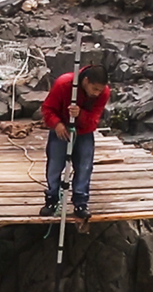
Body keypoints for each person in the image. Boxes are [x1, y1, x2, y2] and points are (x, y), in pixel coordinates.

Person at [39, 64, 110, 220]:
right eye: (95, 89)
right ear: (86, 81)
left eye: (100, 90)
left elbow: (94, 121)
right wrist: (56, 124)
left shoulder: (103, 93)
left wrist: (80, 115)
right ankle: (52, 198)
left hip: (84, 132)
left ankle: (81, 202)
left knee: (85, 166)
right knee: (55, 165)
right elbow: (47, 108)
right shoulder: (64, 84)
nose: (97, 93)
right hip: (61, 129)